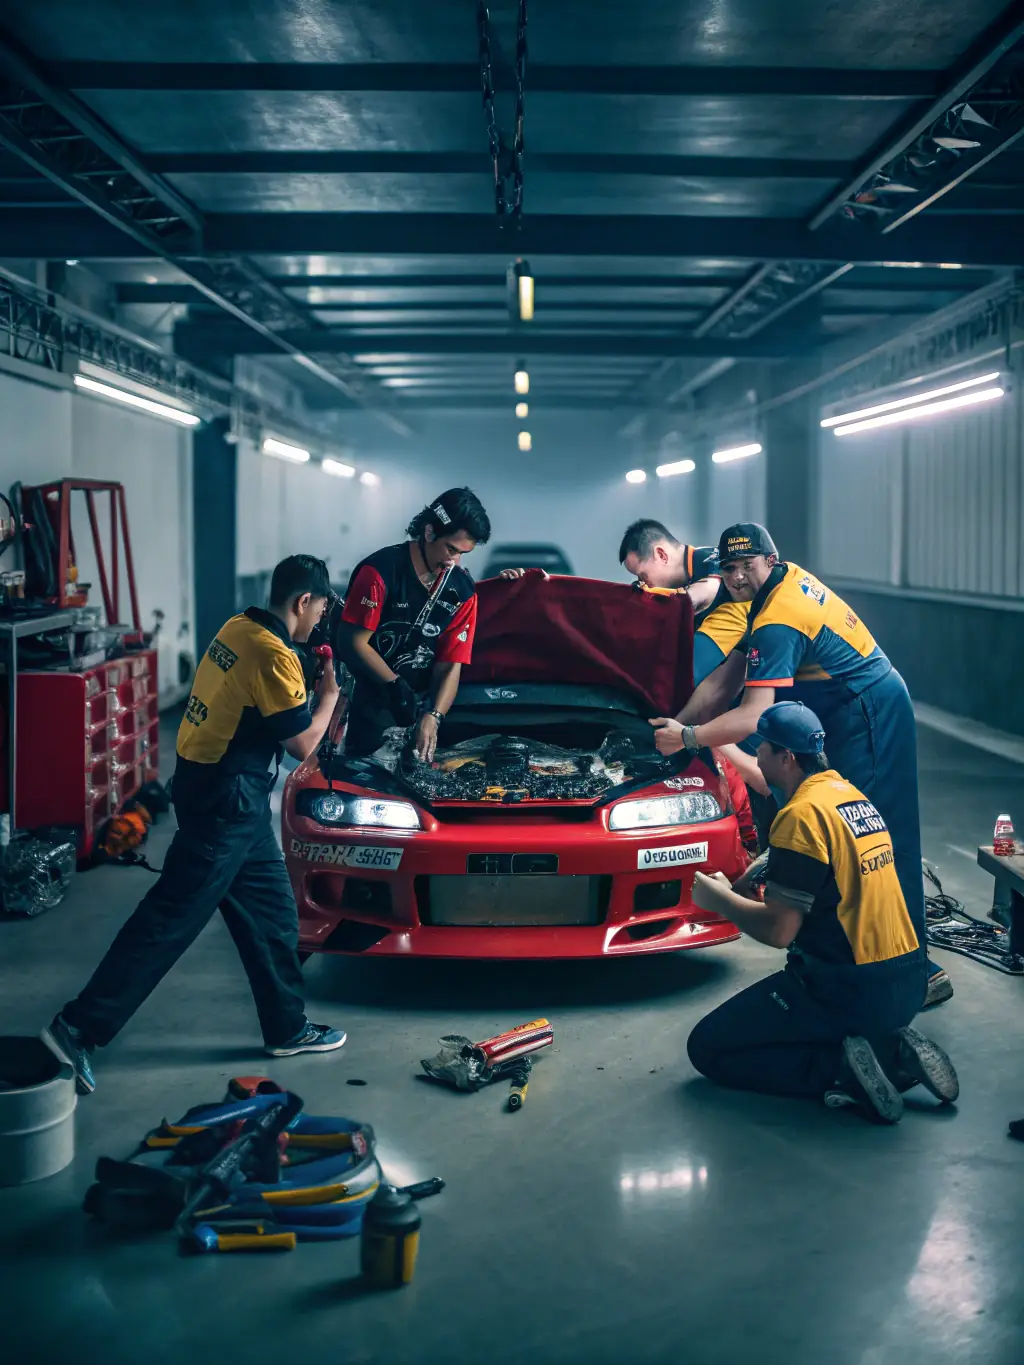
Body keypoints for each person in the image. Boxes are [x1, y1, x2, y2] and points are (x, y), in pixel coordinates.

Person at [43, 555, 347, 1095]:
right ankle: (76, 1029)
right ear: (303, 602)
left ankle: (287, 1026)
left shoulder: (239, 626)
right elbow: (301, 743)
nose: (320, 621)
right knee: (169, 921)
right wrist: (328, 699)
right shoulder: (273, 652)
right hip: (225, 802)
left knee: (274, 914)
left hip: (222, 792)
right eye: (320, 610)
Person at [651, 522, 952, 1009]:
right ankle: (848, 954)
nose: (738, 577)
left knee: (873, 829)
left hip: (869, 707)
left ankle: (913, 970)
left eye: (747, 566)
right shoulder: (770, 592)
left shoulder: (779, 616)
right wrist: (674, 723)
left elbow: (751, 714)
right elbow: (725, 682)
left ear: (769, 560)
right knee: (837, 829)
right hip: (841, 704)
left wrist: (687, 738)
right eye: (729, 569)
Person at [687, 702, 958, 1124]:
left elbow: (779, 930)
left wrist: (719, 900)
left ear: (786, 758)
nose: (756, 757)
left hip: (847, 992)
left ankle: (846, 1071)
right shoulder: (850, 797)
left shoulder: (800, 816)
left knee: (707, 1048)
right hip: (908, 984)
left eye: (761, 749)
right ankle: (891, 1051)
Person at [337, 487, 491, 764]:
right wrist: (395, 686)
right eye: (450, 549)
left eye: (462, 553)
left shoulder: (462, 589)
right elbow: (353, 642)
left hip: (423, 710)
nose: (453, 561)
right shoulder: (379, 572)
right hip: (369, 707)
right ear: (429, 532)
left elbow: (451, 664)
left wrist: (434, 715)